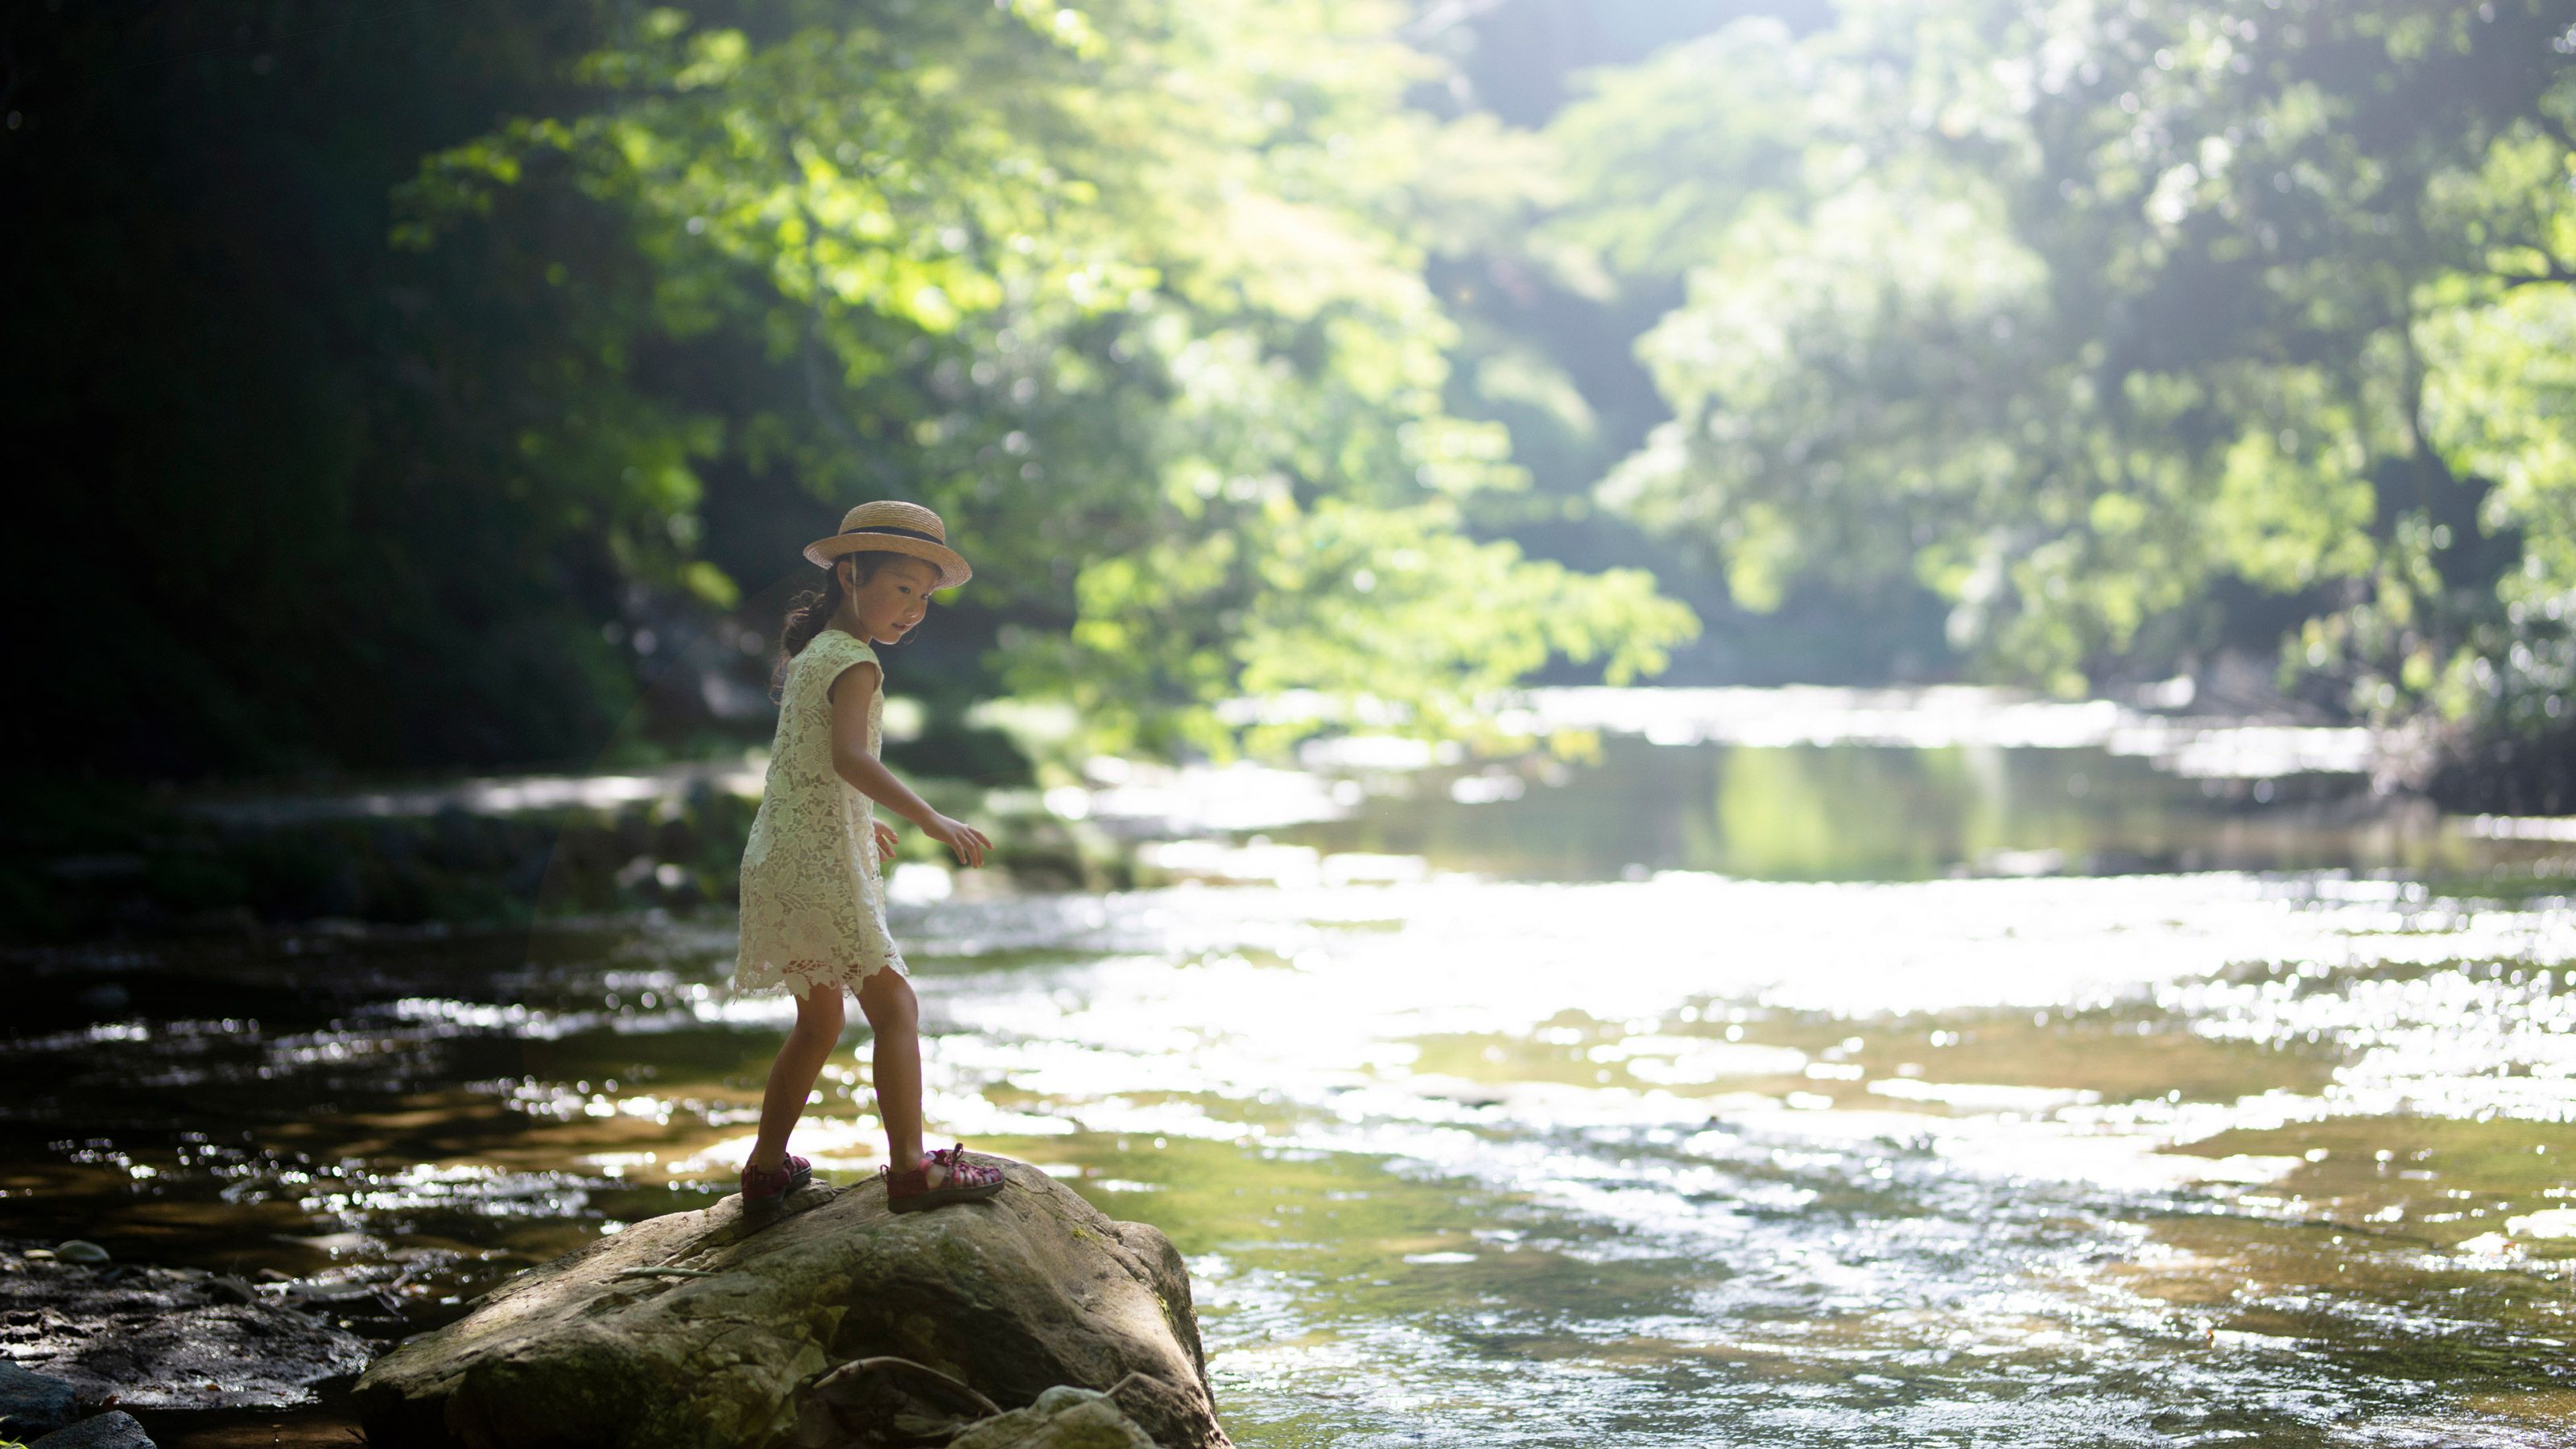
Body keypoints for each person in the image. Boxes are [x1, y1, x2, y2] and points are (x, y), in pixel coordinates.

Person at [734, 500, 1006, 1213]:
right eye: (902, 589)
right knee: (896, 1007)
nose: (914, 610)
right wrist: (928, 818)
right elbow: (849, 757)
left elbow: (804, 768)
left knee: (820, 1023)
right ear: (851, 574)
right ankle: (912, 1169)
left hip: (781, 854)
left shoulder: (815, 652)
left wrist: (857, 824)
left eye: (924, 597)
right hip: (814, 863)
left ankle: (766, 1169)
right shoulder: (853, 661)